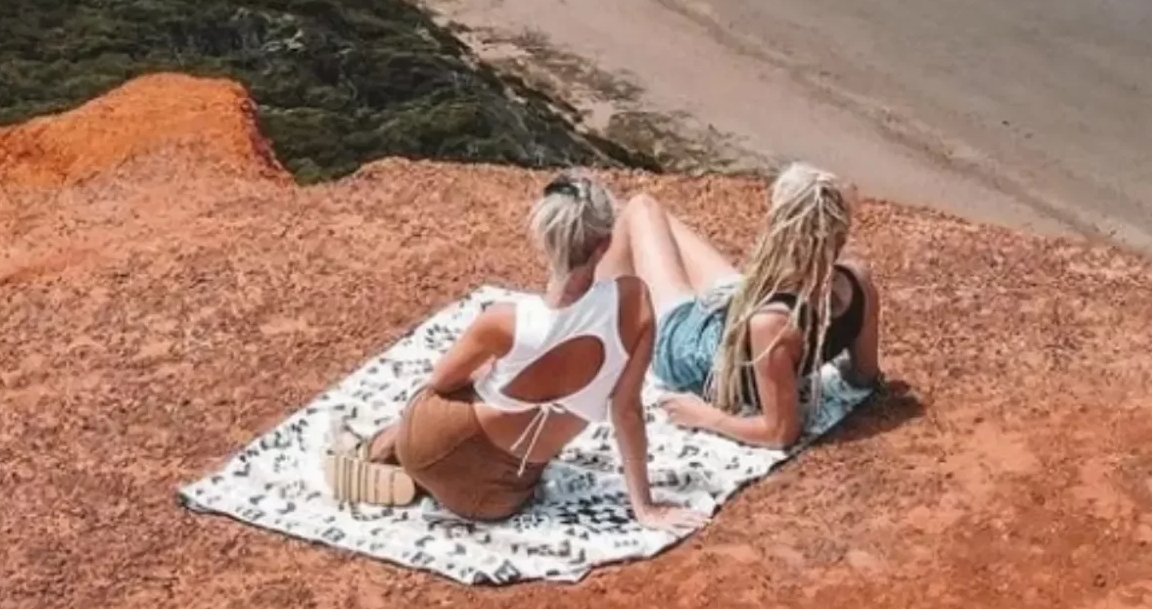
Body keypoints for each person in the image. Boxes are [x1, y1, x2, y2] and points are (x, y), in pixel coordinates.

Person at [322, 173, 694, 527]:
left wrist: (486, 375)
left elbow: (440, 383)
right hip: (498, 497)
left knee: (454, 390)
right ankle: (423, 476)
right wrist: (644, 507)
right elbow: (626, 412)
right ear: (605, 244)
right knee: (498, 417)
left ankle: (379, 453)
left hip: (427, 441)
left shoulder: (504, 320)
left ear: (544, 240)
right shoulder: (637, 304)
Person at [599, 164, 881, 449]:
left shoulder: (772, 323)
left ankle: (595, 319)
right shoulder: (858, 282)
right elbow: (864, 375)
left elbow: (780, 433)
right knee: (654, 216)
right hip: (734, 309)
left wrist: (706, 417)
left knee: (640, 209)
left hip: (688, 348)